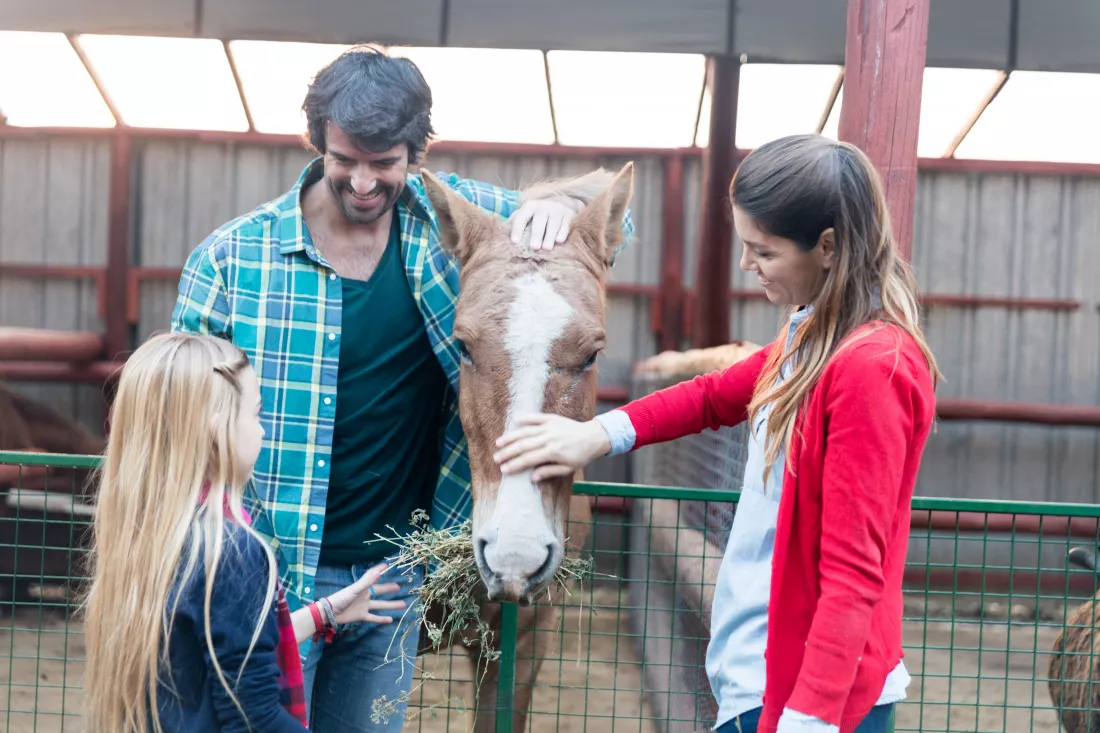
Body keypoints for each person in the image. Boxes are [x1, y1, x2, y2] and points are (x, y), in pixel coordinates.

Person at [171, 44, 634, 729]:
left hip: (389, 579)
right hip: (263, 572)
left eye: (384, 163)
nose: (362, 182)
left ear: (416, 155)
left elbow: (610, 212)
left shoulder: (446, 219)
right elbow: (174, 417)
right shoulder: (230, 260)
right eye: (344, 160)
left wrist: (554, 205)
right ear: (317, 144)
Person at [493, 134, 940, 733]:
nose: (746, 265)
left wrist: (808, 720)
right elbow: (714, 395)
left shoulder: (870, 368)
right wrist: (595, 436)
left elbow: (854, 575)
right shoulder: (814, 338)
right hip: (760, 679)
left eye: (764, 251)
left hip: (807, 701)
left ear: (828, 247)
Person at [81, 332, 406, 733]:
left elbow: (217, 649)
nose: (263, 431)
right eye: (255, 414)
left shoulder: (146, 536)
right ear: (218, 430)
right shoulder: (232, 551)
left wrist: (325, 613)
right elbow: (253, 718)